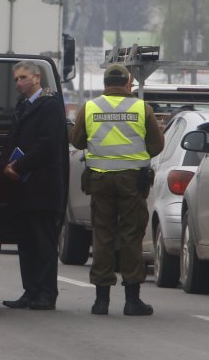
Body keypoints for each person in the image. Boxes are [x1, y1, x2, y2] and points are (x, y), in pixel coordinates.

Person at [70, 63, 163, 316]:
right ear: (126, 84)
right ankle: (132, 300)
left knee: (103, 236)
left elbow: (77, 141)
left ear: (104, 84)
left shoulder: (89, 108)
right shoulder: (141, 108)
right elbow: (156, 146)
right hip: (132, 181)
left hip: (100, 180)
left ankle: (101, 301)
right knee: (132, 236)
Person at [2, 60, 68, 311]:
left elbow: (48, 145)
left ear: (37, 78)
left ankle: (46, 294)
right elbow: (12, 140)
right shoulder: (23, 106)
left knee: (44, 244)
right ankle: (30, 291)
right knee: (26, 243)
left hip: (42, 186)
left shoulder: (50, 106)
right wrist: (5, 165)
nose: (19, 83)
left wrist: (18, 167)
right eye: (16, 79)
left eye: (23, 78)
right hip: (23, 188)